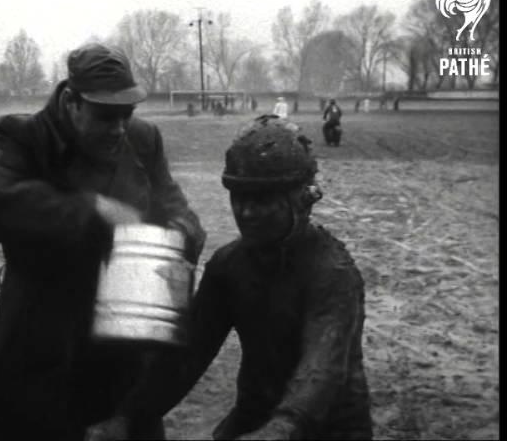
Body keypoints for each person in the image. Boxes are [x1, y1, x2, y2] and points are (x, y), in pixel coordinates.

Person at [0, 43, 206, 441]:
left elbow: (175, 207)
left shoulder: (142, 140)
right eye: (107, 116)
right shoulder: (24, 137)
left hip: (122, 340)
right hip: (41, 342)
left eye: (127, 114)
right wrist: (89, 211)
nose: (120, 128)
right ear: (72, 101)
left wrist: (181, 235)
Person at [88, 115, 373, 441]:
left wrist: (282, 428)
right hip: (256, 418)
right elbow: (187, 358)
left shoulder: (332, 272)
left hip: (329, 427)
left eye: (262, 200)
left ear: (301, 200)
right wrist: (128, 417)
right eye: (239, 197)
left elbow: (321, 369)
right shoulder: (230, 266)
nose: (246, 212)